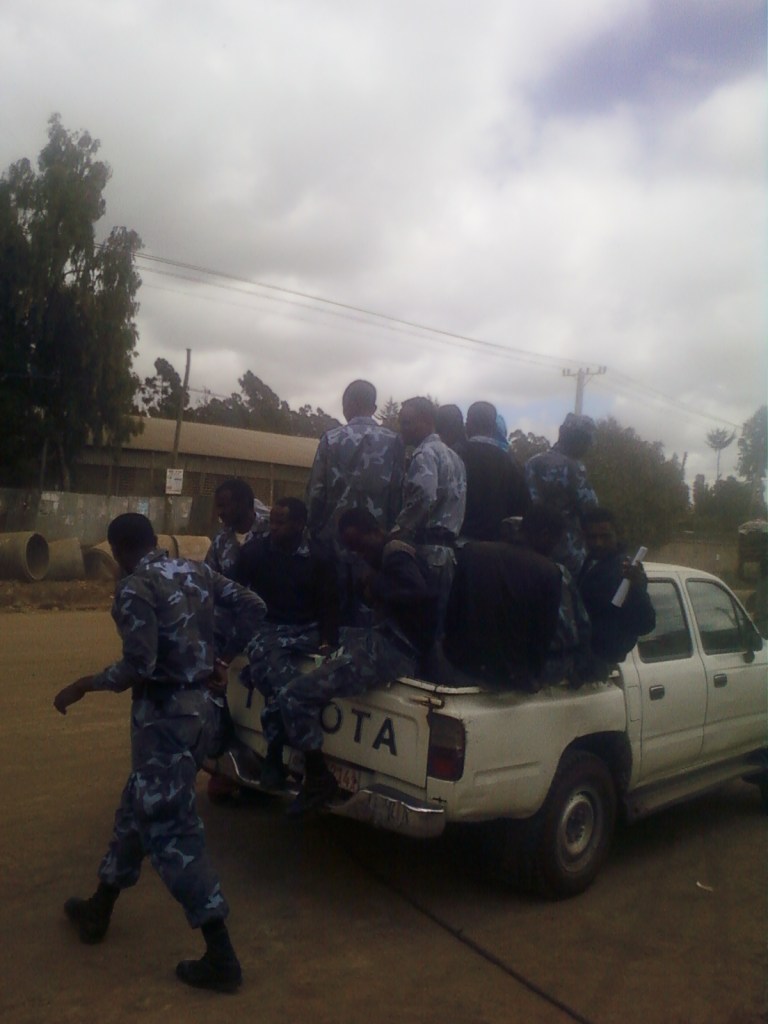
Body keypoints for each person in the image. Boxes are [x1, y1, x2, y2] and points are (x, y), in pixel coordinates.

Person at [53, 513, 266, 992]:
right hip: (200, 714)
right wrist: (221, 658)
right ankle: (100, 906)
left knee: (171, 828)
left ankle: (221, 955)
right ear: (153, 539)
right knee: (139, 805)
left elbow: (140, 664)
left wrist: (83, 685)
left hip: (164, 720)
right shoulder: (197, 570)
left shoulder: (135, 588)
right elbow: (254, 605)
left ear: (116, 550)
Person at [275, 507, 437, 815]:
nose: (359, 554)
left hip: (395, 650)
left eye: (360, 545)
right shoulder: (385, 555)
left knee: (294, 695)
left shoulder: (396, 553)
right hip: (382, 641)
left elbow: (418, 592)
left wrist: (375, 584)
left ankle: (318, 778)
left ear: (375, 531)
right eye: (353, 549)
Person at [234, 496, 339, 787]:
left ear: (300, 524)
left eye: (281, 523)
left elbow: (330, 604)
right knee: (281, 679)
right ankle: (279, 753)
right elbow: (234, 593)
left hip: (306, 630)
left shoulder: (320, 558)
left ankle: (275, 755)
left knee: (271, 671)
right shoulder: (254, 553)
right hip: (268, 628)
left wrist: (327, 642)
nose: (274, 529)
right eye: (272, 522)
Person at [306, 379, 405, 623]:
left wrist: (313, 529)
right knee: (373, 607)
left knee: (333, 606)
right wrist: (391, 533)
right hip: (375, 541)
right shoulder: (394, 441)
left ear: (347, 404)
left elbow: (317, 491)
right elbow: (398, 492)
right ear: (374, 407)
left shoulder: (330, 439)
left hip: (335, 538)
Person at [442, 510, 562, 690]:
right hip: (511, 677)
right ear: (545, 535)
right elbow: (543, 634)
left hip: (461, 666)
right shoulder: (549, 572)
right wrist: (530, 675)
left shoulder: (472, 552)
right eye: (555, 542)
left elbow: (452, 611)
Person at [392, 396, 466, 633]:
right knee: (437, 629)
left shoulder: (424, 454)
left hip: (424, 553)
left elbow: (424, 495)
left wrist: (399, 531)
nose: (401, 429)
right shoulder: (454, 457)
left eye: (406, 423)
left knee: (413, 628)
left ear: (426, 421)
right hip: (447, 555)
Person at [578, 507, 656, 664]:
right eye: (593, 537)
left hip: (600, 662)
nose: (598, 543)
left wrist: (636, 588)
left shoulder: (625, 570)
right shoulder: (588, 562)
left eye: (605, 536)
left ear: (617, 535)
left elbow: (645, 624)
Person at [525, 413, 598, 574]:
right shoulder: (574, 468)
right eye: (586, 442)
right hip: (566, 552)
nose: (587, 448)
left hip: (531, 546)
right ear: (580, 440)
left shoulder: (532, 462)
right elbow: (591, 510)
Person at [459, 401, 530, 541]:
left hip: (458, 543)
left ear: (468, 425)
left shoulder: (455, 455)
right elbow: (523, 509)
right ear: (493, 427)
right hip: (496, 545)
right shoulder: (512, 464)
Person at [205, 478, 267, 578]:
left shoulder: (270, 534)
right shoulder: (220, 539)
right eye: (218, 507)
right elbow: (209, 578)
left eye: (224, 506)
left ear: (244, 503)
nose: (219, 512)